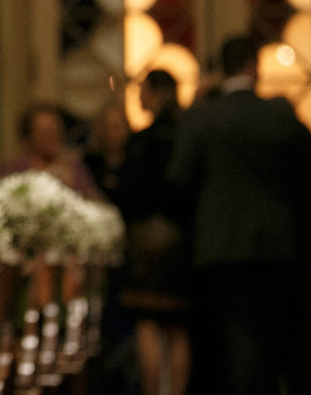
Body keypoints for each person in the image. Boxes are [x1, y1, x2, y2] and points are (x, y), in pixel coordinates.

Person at [167, 35, 311, 395]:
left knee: (234, 339)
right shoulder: (278, 113)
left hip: (219, 244)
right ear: (253, 66)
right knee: (272, 334)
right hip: (278, 243)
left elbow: (177, 179)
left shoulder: (202, 116)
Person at [117, 70, 190, 395]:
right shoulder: (188, 133)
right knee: (177, 325)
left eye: (142, 90)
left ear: (158, 92)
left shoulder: (143, 141)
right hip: (183, 237)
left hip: (148, 239)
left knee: (148, 321)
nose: (138, 97)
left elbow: (128, 194)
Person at [3, 103, 99, 198]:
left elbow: (95, 204)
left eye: (55, 131)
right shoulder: (16, 170)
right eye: (44, 132)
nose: (51, 137)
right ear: (30, 136)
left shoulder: (76, 169)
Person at [84, 101, 130, 201]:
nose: (111, 134)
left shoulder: (136, 162)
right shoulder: (89, 162)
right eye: (107, 127)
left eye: (116, 127)